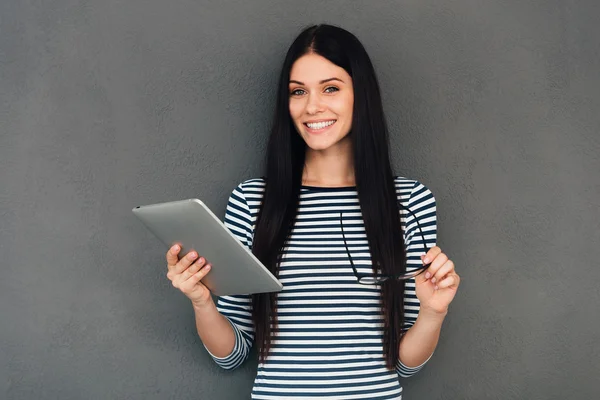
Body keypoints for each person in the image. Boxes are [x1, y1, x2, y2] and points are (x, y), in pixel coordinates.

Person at [165, 24, 460, 399]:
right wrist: (201, 301)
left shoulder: (410, 201)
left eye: (331, 88)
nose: (312, 106)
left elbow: (406, 362)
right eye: (298, 92)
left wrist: (434, 312)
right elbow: (232, 355)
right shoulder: (252, 201)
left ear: (361, 95)